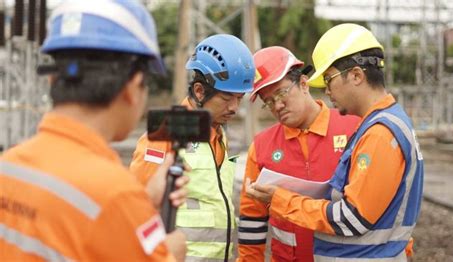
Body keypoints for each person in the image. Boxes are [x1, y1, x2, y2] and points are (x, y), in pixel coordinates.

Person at [0, 1, 189, 261]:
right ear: (133, 87)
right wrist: (170, 253)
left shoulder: (8, 166)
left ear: (52, 79)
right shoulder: (117, 197)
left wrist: (143, 200)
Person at [245, 23, 424, 261]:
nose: (327, 91)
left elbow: (354, 217)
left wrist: (279, 199)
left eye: (329, 80)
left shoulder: (373, 132)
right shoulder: (382, 125)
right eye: (268, 102)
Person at [130, 34, 255, 261]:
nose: (235, 108)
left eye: (240, 98)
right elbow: (136, 209)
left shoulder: (218, 133)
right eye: (227, 98)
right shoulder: (164, 134)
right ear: (199, 91)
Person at [237, 46, 360, 261]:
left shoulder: (352, 128)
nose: (278, 105)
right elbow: (251, 220)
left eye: (281, 93)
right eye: (268, 101)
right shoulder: (262, 147)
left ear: (304, 83)